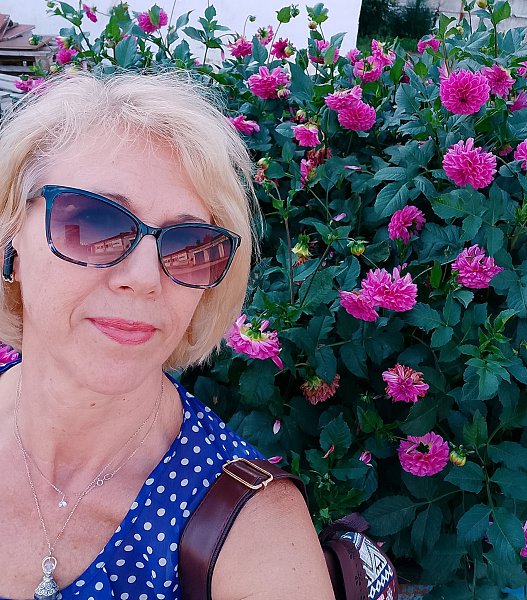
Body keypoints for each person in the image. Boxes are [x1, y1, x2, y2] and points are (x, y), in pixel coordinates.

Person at [0, 71, 335, 600]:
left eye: (189, 245)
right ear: (12, 234)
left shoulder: (251, 530)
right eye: (95, 222)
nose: (145, 278)